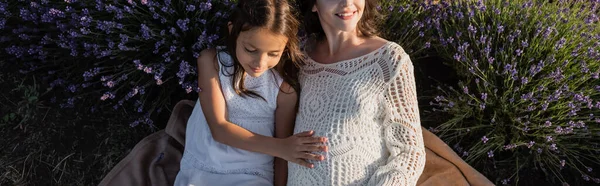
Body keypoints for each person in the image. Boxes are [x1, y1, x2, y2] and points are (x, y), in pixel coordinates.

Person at [173, 0, 328, 185]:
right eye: (251, 50)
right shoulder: (213, 62)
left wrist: (283, 153)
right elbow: (219, 130)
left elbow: (282, 156)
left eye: (273, 53)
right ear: (233, 31)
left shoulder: (283, 89)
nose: (260, 63)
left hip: (252, 175)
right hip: (204, 167)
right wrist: (283, 147)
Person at [287, 0, 426, 185]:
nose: (346, 3)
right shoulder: (300, 59)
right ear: (313, 4)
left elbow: (409, 152)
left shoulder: (387, 59)